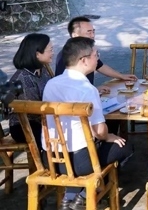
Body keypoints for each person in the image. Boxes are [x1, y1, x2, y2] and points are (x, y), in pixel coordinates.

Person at [43, 37, 134, 210]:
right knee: (125, 146)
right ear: (84, 60)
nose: (98, 59)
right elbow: (99, 131)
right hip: (80, 162)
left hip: (51, 159)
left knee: (100, 143)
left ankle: (69, 197)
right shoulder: (87, 89)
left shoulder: (51, 84)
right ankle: (85, 195)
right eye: (96, 54)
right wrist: (109, 136)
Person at [55, 16, 136, 93]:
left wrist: (121, 76)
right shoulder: (65, 55)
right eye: (89, 32)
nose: (93, 35)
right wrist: (92, 91)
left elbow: (100, 66)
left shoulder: (88, 51)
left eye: (93, 31)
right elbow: (64, 88)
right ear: (75, 35)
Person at [8, 33, 53, 149]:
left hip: (42, 118)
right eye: (50, 50)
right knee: (58, 136)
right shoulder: (23, 78)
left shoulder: (43, 69)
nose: (52, 53)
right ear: (37, 54)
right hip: (24, 126)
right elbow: (34, 109)